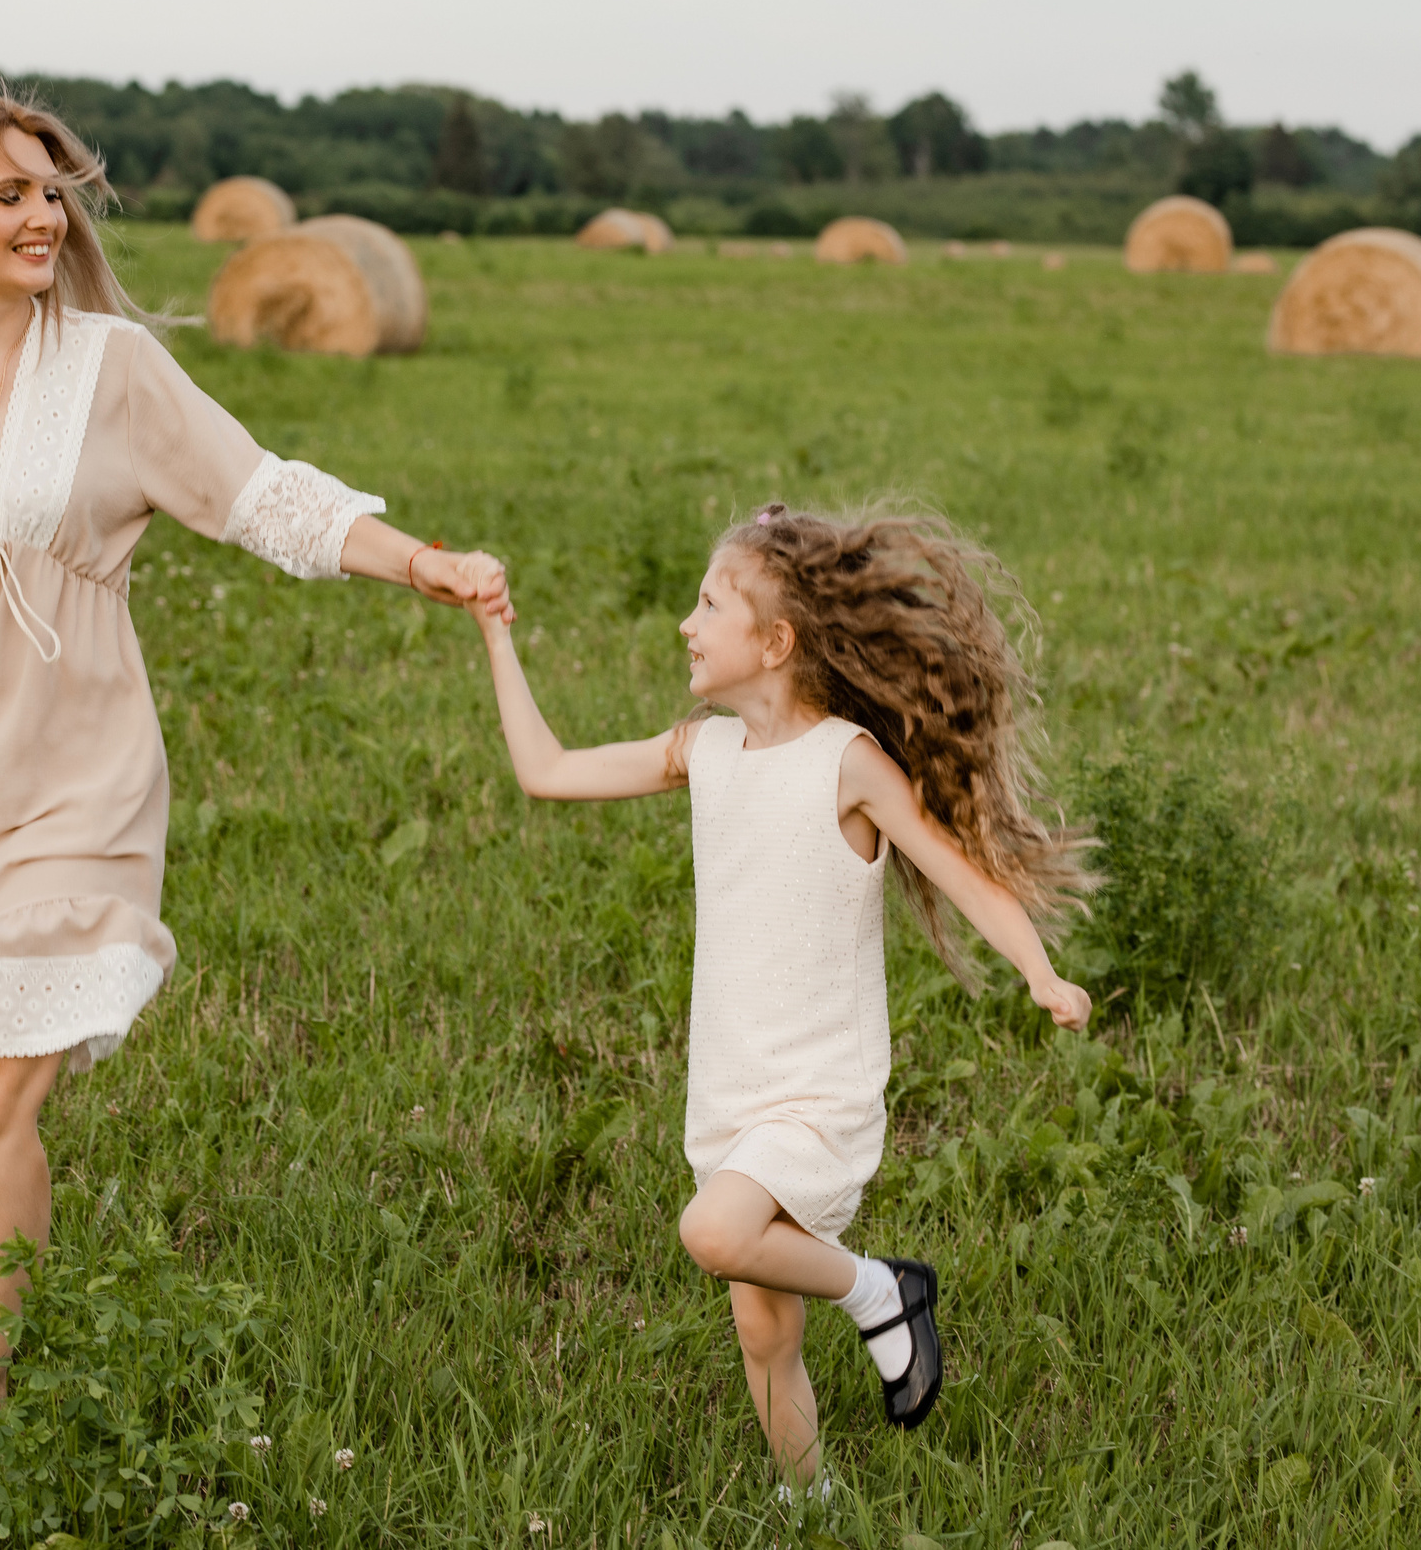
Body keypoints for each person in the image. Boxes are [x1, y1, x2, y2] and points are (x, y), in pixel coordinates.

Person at [0, 89, 509, 1445]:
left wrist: (412, 554)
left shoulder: (114, 367)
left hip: (78, 781)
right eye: (10, 193)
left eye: (53, 191)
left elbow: (258, 491)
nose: (43, 215)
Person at [461, 502, 1093, 1493]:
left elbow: (964, 872)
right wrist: (495, 632)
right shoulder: (701, 750)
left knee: (712, 1233)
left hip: (815, 1097)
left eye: (708, 604)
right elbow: (544, 773)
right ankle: (814, 1507)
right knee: (763, 1332)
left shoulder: (846, 763)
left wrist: (1037, 969)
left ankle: (885, 1289)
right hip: (729, 1096)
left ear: (773, 641)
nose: (686, 621)